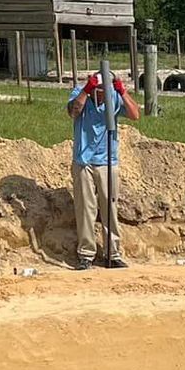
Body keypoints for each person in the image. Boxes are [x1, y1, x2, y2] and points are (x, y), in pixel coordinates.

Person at [67, 68, 141, 269]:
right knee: (85, 209)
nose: (101, 93)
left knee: (110, 207)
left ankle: (113, 253)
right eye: (99, 89)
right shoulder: (79, 93)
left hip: (108, 160)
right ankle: (86, 254)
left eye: (104, 89)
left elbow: (135, 114)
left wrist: (122, 91)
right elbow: (74, 111)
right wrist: (87, 89)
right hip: (84, 161)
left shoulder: (114, 98)